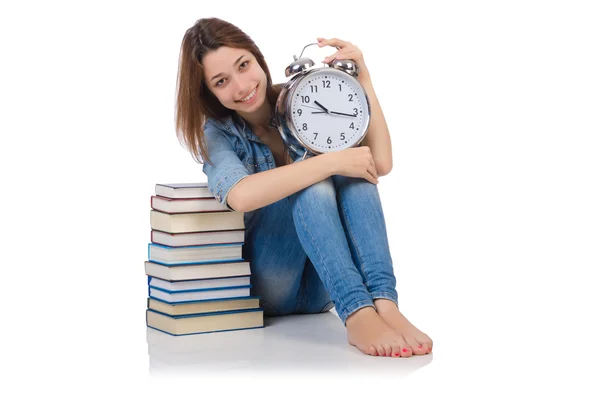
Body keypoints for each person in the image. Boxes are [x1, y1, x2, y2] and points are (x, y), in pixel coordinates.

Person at [174, 17, 433, 358]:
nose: (241, 85)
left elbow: (379, 163)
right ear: (209, 92)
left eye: (244, 65)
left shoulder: (305, 94)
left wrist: (364, 78)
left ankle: (384, 303)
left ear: (257, 57)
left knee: (355, 173)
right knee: (315, 179)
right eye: (222, 81)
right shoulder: (218, 133)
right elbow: (239, 195)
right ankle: (357, 312)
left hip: (324, 286)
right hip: (272, 285)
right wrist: (328, 162)